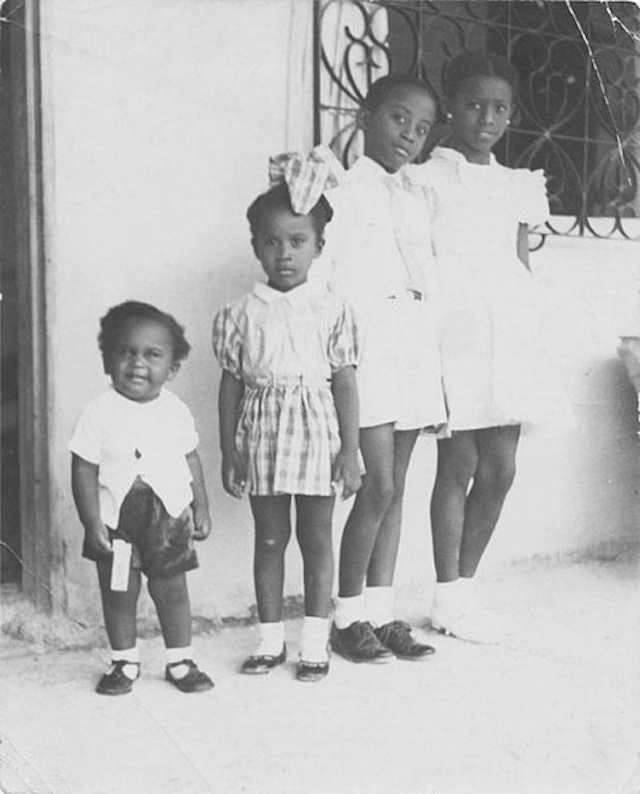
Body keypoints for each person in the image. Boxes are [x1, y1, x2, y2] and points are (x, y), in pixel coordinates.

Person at [412, 50, 573, 643]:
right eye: (475, 104)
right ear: (451, 106)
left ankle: (465, 593)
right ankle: (445, 596)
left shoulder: (519, 184)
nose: (487, 117)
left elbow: (520, 264)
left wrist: (530, 340)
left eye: (500, 107)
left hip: (509, 333)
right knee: (459, 463)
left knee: (501, 468)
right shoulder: (426, 178)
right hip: (454, 332)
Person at [314, 74, 446, 663]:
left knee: (398, 492)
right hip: (366, 349)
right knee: (376, 485)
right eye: (399, 119)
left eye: (421, 129)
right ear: (366, 115)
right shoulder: (338, 192)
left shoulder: (415, 196)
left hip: (411, 347)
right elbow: (323, 281)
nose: (409, 136)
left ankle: (380, 612)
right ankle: (346, 618)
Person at [212, 181, 361, 683]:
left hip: (318, 431)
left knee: (317, 538)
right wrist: (229, 450)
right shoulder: (240, 314)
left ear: (319, 246)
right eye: (271, 242)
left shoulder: (333, 308)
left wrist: (351, 452)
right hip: (262, 435)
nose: (284, 254)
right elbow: (230, 384)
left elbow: (344, 382)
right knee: (270, 538)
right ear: (255, 245)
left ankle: (314, 644)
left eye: (297, 242)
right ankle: (269, 640)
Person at [69, 301, 214, 695]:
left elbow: (190, 458)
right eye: (125, 352)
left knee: (171, 587)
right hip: (117, 520)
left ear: (172, 368)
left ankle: (180, 660)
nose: (137, 364)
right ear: (106, 361)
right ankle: (124, 661)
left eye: (152, 355)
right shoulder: (98, 412)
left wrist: (200, 506)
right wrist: (91, 521)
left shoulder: (176, 410)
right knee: (119, 589)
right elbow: (83, 467)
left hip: (167, 516)